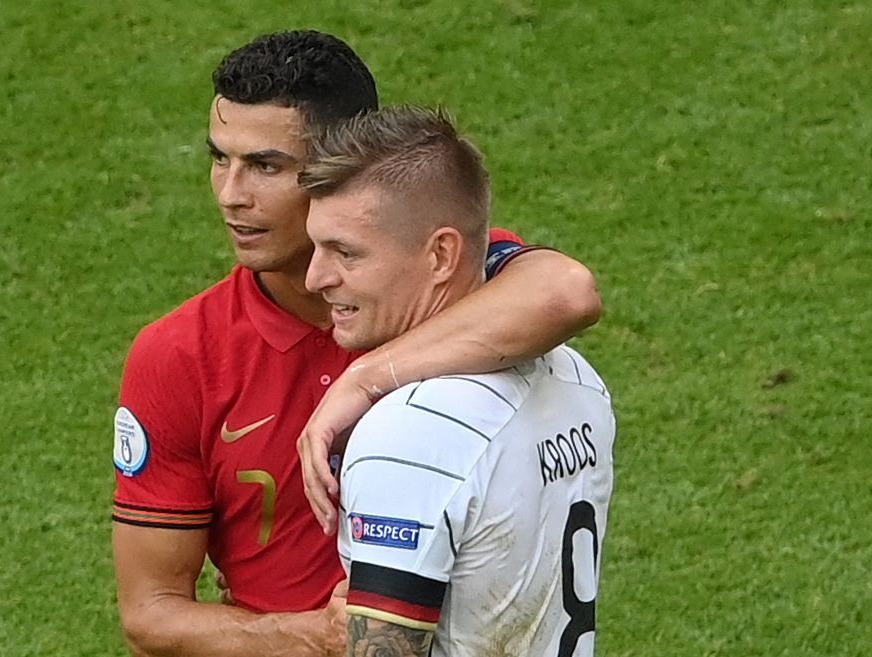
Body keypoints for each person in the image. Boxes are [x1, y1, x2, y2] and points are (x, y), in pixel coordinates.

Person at [111, 31, 603, 657]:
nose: (232, 194)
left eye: (266, 166)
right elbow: (150, 614)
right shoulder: (180, 354)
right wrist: (310, 633)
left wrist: (364, 377)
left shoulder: (434, 278)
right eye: (219, 159)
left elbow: (567, 293)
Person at [299, 105, 616, 657]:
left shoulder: (406, 433)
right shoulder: (577, 378)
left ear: (442, 254)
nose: (316, 278)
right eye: (317, 248)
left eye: (346, 253)